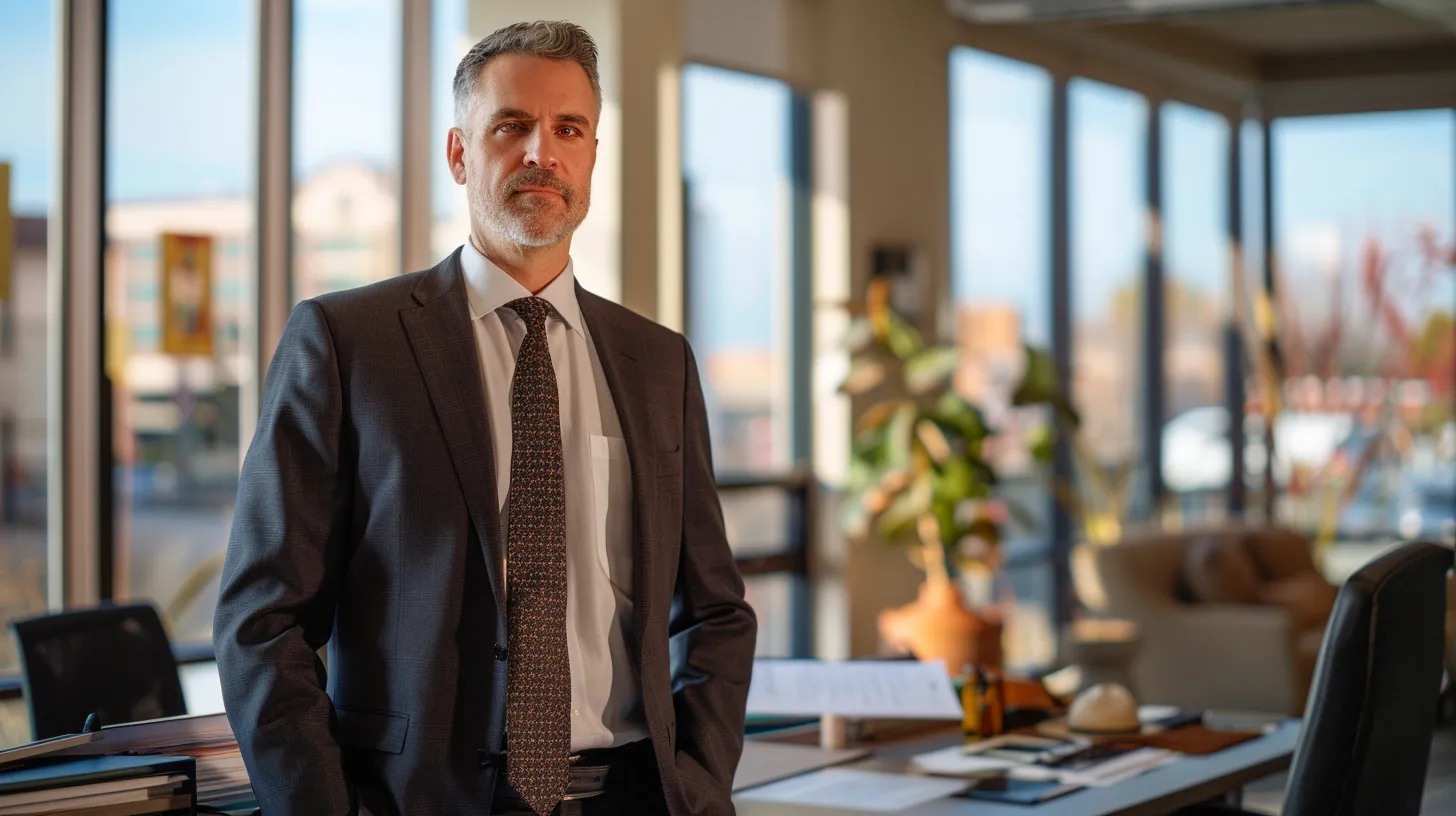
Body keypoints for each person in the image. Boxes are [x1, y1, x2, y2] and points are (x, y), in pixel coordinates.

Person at [214, 20, 756, 816]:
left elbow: (714, 609)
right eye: (512, 126)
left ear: (592, 158)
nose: (543, 152)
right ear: (460, 153)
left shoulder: (658, 361)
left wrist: (700, 784)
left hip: (632, 794)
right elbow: (265, 620)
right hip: (418, 801)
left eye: (568, 129)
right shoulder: (347, 342)